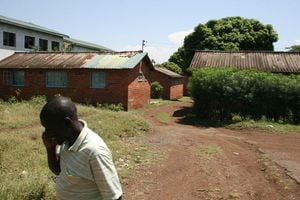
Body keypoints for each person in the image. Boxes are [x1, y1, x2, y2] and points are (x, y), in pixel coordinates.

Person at [40, 96, 122, 200]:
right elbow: (59, 171)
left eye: (50, 129)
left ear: (67, 123)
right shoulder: (66, 141)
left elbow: (115, 196)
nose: (47, 133)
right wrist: (50, 149)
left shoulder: (95, 152)